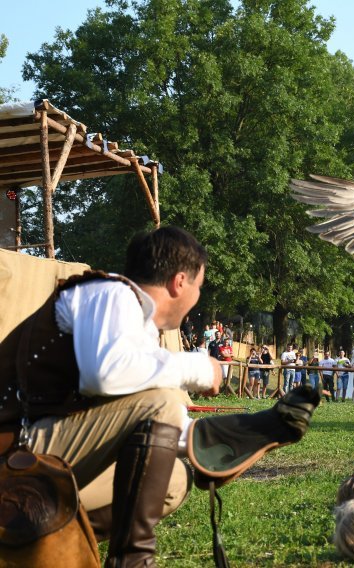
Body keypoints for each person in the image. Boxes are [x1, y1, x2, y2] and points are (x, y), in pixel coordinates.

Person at [0, 226, 222, 565]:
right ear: (180, 282)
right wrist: (200, 368)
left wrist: (239, 436)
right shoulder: (110, 294)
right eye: (199, 287)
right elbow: (105, 376)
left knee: (173, 479)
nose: (197, 298)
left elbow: (147, 426)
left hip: (40, 456)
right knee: (161, 400)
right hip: (13, 454)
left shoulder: (137, 322)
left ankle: (27, 537)